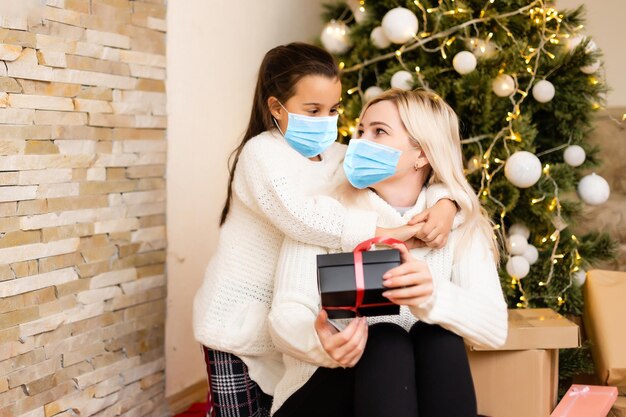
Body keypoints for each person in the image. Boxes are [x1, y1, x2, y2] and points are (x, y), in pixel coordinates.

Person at [192, 43, 459, 417]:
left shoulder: (336, 155)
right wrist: (389, 233)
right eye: (313, 110)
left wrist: (447, 203)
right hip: (239, 326)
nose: (326, 120)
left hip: (295, 325)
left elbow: (407, 168)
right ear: (276, 108)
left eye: (333, 109)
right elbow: (303, 218)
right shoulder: (260, 154)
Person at [268, 89, 509, 417]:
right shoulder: (324, 215)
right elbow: (284, 314)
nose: (360, 142)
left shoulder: (457, 223)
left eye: (379, 131)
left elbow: (495, 327)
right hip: (321, 394)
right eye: (360, 130)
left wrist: (432, 296)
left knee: (438, 336)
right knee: (384, 340)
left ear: (421, 154)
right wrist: (320, 342)